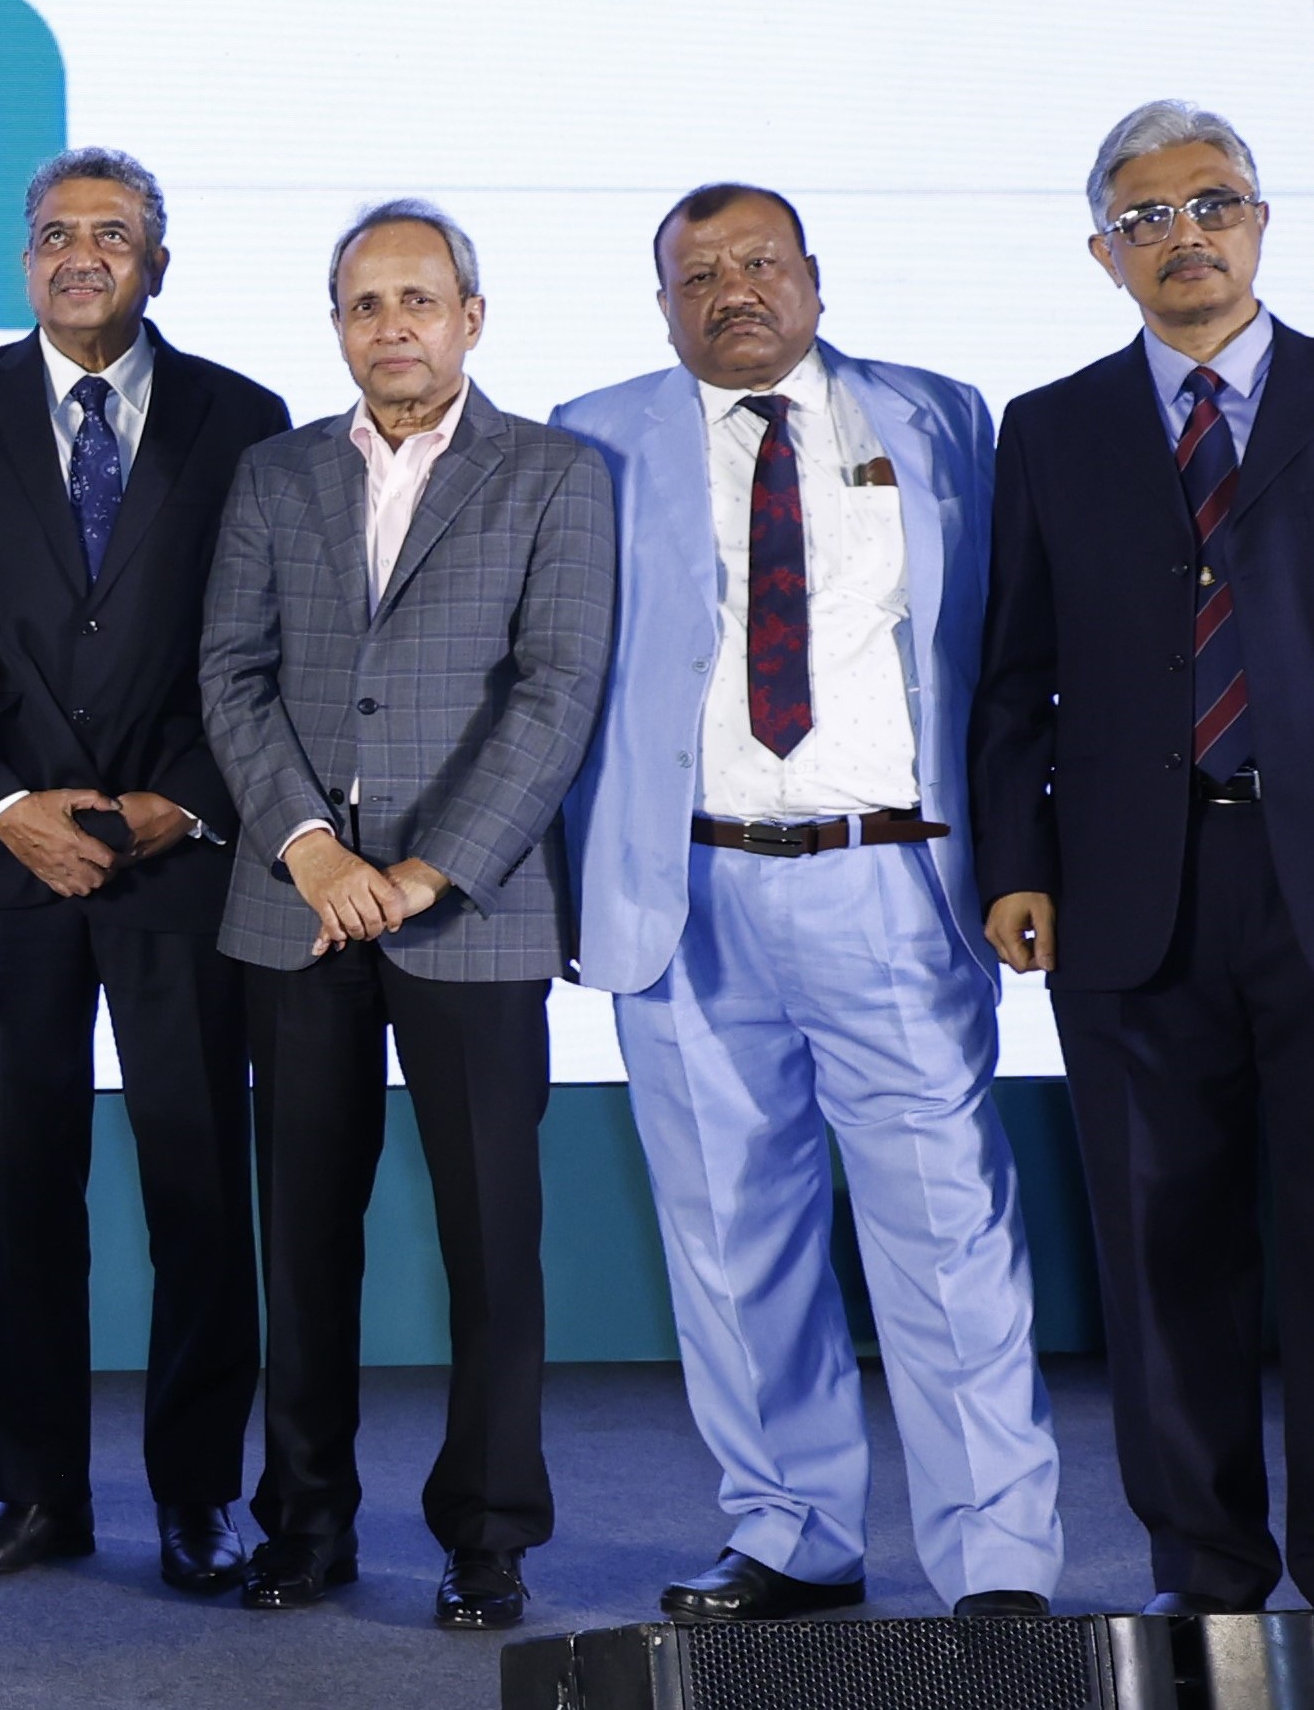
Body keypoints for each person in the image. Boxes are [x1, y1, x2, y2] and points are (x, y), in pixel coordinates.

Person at [557, 185, 1063, 1623]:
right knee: (732, 1238)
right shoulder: (594, 434)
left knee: (947, 1228)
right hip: (684, 887)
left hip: (890, 878)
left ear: (815, 278)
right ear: (663, 304)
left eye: (760, 262)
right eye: (698, 273)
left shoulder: (940, 416)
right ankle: (790, 1533)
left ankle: (999, 1558)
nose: (733, 290)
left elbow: (1006, 652)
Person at [194, 199, 613, 1632]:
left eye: (417, 300)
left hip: (469, 911)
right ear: (337, 326)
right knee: (304, 1237)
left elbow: (556, 693)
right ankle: (303, 1521)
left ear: (470, 318)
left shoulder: (555, 474)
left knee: (491, 1239)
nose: (392, 327)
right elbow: (231, 674)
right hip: (298, 909)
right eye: (365, 304)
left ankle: (488, 1535)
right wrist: (311, 849)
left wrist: (429, 870)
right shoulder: (275, 473)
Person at [0, 147, 285, 1594]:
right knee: (22, 1182)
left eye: (113, 233)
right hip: (10, 865)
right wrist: (2, 804)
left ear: (156, 263)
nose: (81, 254)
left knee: (198, 1186)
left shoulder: (245, 418)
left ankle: (199, 1498)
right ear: (24, 259)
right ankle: (36, 1494)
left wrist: (187, 802)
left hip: (183, 859)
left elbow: (273, 642)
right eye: (56, 232)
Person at [976, 100, 1314, 1618]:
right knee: (1161, 1248)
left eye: (1213, 202)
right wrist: (1013, 862)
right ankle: (1209, 1575)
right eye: (1148, 216)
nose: (1187, 234)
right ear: (1102, 251)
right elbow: (1011, 671)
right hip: (1128, 893)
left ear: (1261, 220)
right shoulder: (1051, 427)